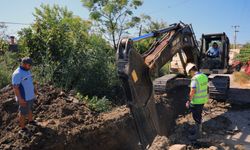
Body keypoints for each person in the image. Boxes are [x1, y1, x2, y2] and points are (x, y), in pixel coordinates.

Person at [12, 57, 37, 134]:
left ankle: (31, 121)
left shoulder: (27, 70)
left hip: (30, 96)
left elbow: (29, 82)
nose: (31, 67)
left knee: (29, 109)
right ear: (24, 64)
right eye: (29, 65)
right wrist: (20, 99)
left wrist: (34, 90)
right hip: (24, 98)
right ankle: (22, 128)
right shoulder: (17, 74)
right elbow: (15, 88)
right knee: (22, 113)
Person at [185, 63, 208, 138]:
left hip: (196, 101)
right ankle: (197, 130)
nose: (189, 75)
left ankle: (198, 135)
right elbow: (206, 88)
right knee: (199, 115)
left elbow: (192, 91)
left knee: (196, 117)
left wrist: (188, 101)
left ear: (191, 70)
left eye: (189, 73)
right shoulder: (204, 76)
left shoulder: (195, 79)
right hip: (202, 100)